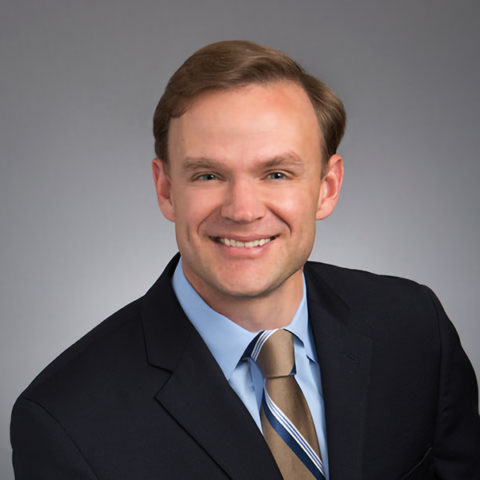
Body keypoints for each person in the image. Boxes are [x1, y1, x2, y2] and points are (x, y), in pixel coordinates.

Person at [10, 40, 480, 480]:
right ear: (166, 189)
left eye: (276, 173)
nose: (242, 210)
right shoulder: (66, 420)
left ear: (327, 187)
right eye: (208, 175)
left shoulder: (417, 331)